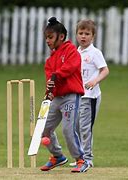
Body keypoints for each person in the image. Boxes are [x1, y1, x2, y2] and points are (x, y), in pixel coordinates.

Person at [39, 17, 89, 173]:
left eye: (50, 37)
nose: (47, 41)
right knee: (44, 129)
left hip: (71, 96)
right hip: (57, 98)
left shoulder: (71, 50)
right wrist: (49, 92)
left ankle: (81, 159)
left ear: (61, 36)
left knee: (68, 130)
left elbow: (70, 67)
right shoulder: (49, 61)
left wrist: (56, 75)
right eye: (46, 37)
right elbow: (50, 80)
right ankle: (57, 156)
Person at [69, 19, 109, 169]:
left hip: (90, 97)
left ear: (93, 36)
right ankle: (79, 157)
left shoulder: (94, 53)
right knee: (75, 128)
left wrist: (95, 81)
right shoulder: (75, 52)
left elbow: (105, 70)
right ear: (76, 35)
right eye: (81, 33)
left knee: (85, 128)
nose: (83, 36)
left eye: (87, 34)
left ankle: (87, 159)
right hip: (76, 96)